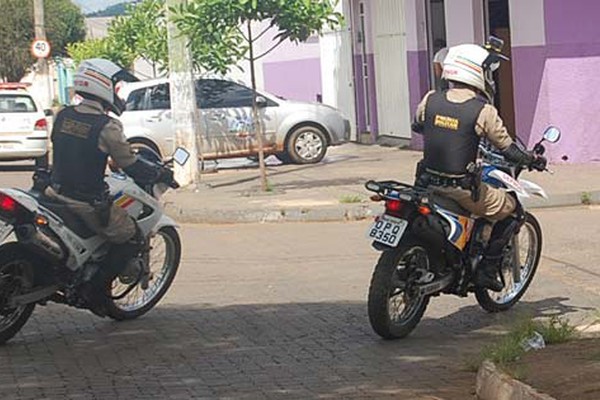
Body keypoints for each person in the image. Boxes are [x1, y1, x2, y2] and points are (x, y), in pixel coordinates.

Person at [411, 43, 547, 292]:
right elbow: (509, 150)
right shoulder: (484, 111)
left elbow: (418, 126)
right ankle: (486, 271)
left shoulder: (430, 99)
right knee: (513, 209)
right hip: (460, 190)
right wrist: (532, 159)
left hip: (425, 184)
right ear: (477, 72)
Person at [44, 59, 166, 312]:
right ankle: (97, 295)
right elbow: (128, 162)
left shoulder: (62, 115)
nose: (118, 92)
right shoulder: (107, 126)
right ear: (102, 84)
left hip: (53, 192)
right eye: (116, 86)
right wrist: (158, 172)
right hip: (85, 202)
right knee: (130, 237)